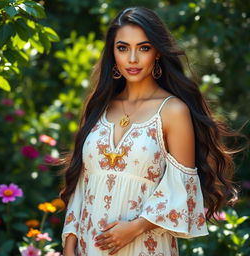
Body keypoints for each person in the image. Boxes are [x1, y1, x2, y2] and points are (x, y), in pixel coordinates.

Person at [60, 6, 239, 256]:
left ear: (157, 52)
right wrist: (70, 244)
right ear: (113, 53)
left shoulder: (173, 110)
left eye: (143, 48)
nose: (132, 59)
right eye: (123, 48)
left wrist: (134, 228)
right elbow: (83, 182)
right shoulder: (100, 106)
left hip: (144, 246)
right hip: (88, 247)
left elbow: (182, 189)